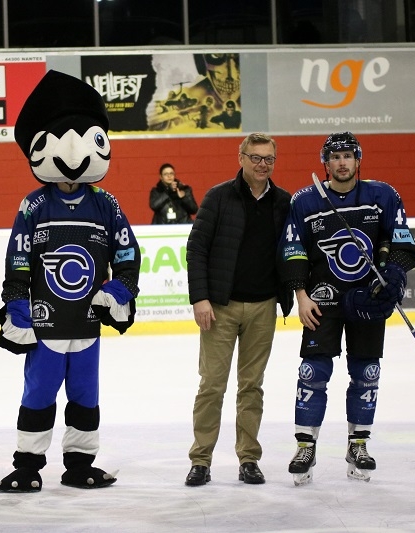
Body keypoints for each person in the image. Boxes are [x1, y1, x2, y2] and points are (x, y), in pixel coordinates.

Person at [0, 70, 140, 493]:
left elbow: (128, 255)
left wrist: (119, 290)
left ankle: (79, 465)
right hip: (46, 324)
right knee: (38, 395)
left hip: (87, 324)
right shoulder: (34, 204)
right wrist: (16, 304)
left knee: (85, 396)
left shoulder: (105, 204)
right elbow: (18, 258)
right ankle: (27, 467)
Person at [278, 132, 415, 485]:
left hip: (367, 299)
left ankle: (359, 443)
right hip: (321, 301)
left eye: (348, 156)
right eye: (334, 157)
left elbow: (401, 242)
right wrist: (301, 294)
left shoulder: (382, 195)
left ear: (358, 160)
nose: (341, 162)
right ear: (324, 163)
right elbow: (293, 249)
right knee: (313, 372)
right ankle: (305, 445)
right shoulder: (305, 200)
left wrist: (393, 276)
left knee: (366, 373)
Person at [185, 132, 292, 487]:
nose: (263, 164)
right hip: (220, 307)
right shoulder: (218, 197)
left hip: (263, 307)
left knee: (252, 387)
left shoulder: (283, 202)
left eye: (269, 159)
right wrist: (200, 298)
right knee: (212, 385)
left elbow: (292, 253)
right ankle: (201, 460)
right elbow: (196, 249)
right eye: (256, 157)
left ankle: (249, 458)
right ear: (241, 157)